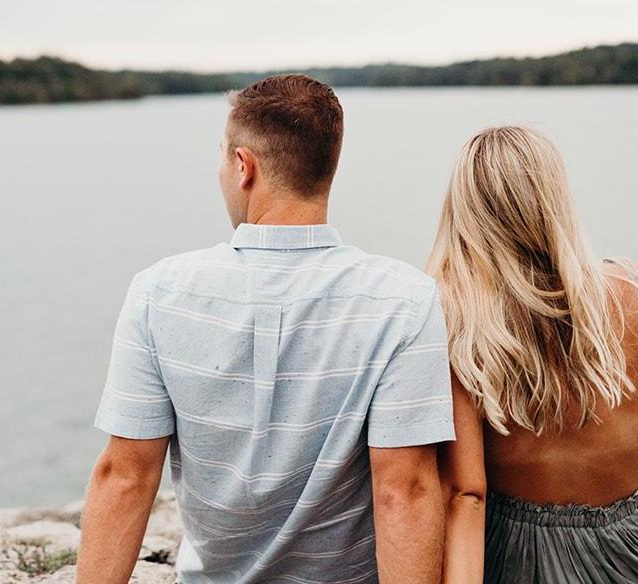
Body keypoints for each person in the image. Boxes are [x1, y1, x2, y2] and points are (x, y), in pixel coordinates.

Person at [74, 74, 455, 584]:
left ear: (243, 166)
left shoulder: (159, 292)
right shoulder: (403, 301)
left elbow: (125, 476)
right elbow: (403, 490)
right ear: (328, 166)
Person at [429, 126, 638, 583]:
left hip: (519, 559)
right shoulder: (631, 290)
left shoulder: (458, 329)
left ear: (468, 213)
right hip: (635, 554)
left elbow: (464, 492)